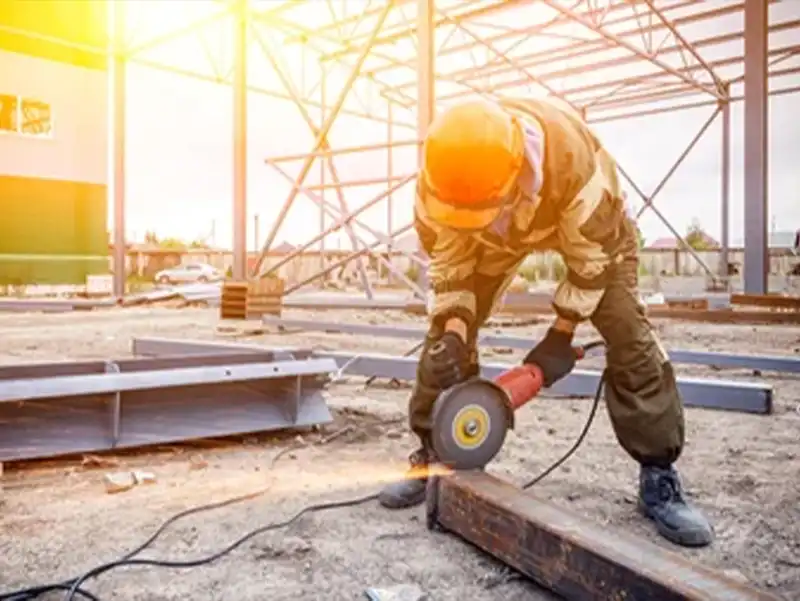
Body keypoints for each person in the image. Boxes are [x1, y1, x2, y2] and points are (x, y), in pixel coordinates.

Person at [378, 97, 714, 548]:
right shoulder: (440, 188)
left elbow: (591, 265)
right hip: (496, 233)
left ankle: (658, 474)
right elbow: (451, 266)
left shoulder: (580, 175)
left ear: (516, 173)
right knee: (442, 339)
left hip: (592, 237)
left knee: (628, 332)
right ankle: (435, 453)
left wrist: (561, 334)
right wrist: (455, 333)